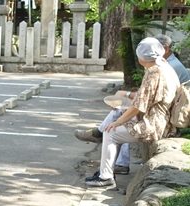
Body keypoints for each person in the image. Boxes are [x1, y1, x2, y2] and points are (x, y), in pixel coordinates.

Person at [74, 34, 189, 175]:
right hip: (161, 118)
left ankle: (105, 176)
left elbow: (139, 106)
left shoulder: (154, 72)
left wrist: (117, 123)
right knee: (118, 116)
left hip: (156, 124)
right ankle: (103, 142)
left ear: (142, 57)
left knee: (111, 133)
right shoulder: (164, 66)